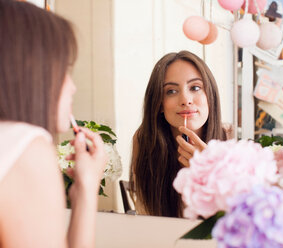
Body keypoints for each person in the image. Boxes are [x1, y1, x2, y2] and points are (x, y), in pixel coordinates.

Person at [0, 1, 107, 247]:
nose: (72, 86)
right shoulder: (25, 147)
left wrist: (85, 191)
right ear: (30, 72)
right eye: (64, 70)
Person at [129, 50, 233, 218]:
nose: (185, 99)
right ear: (159, 104)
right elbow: (148, 214)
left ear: (210, 96)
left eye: (195, 88)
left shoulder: (229, 138)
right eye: (171, 91)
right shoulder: (145, 140)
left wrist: (207, 175)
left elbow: (235, 223)